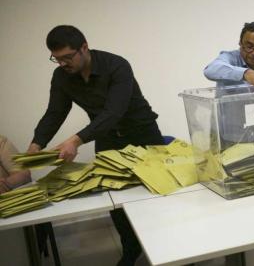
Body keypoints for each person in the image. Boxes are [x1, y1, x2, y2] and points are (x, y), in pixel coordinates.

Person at [27, 25, 164, 266]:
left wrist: (75, 140)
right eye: (56, 59)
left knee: (156, 193)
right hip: (108, 138)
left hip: (143, 135)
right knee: (114, 199)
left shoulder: (117, 66)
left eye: (67, 57)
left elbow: (114, 111)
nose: (62, 64)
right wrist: (36, 146)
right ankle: (131, 251)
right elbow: (55, 112)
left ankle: (166, 247)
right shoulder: (62, 77)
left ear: (84, 47)